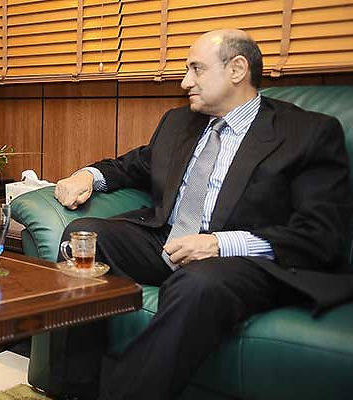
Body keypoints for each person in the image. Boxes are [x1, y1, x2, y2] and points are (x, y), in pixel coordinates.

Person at [52, 29, 353, 399]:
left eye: (196, 69)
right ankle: (72, 390)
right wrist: (86, 176)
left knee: (197, 282)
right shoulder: (179, 123)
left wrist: (219, 244)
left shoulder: (306, 133)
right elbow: (134, 165)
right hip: (168, 241)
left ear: (237, 69)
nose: (184, 81)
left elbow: (321, 234)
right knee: (83, 238)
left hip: (242, 261)